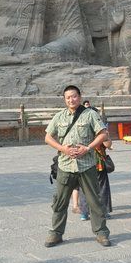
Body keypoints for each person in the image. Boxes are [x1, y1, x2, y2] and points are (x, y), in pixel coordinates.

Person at [44, 85, 111, 248]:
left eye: (74, 96)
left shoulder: (90, 114)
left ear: (79, 97)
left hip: (86, 165)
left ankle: (101, 232)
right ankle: (56, 233)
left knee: (94, 201)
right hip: (65, 165)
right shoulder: (59, 116)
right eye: (68, 97)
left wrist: (88, 148)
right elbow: (47, 137)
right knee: (60, 201)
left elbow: (103, 134)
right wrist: (63, 149)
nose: (71, 100)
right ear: (64, 100)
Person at [78, 129, 113, 220]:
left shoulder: (81, 129)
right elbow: (108, 145)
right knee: (101, 188)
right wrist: (106, 135)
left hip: (85, 163)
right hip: (96, 163)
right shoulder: (100, 130)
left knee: (85, 188)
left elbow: (108, 144)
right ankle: (102, 212)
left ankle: (85, 212)